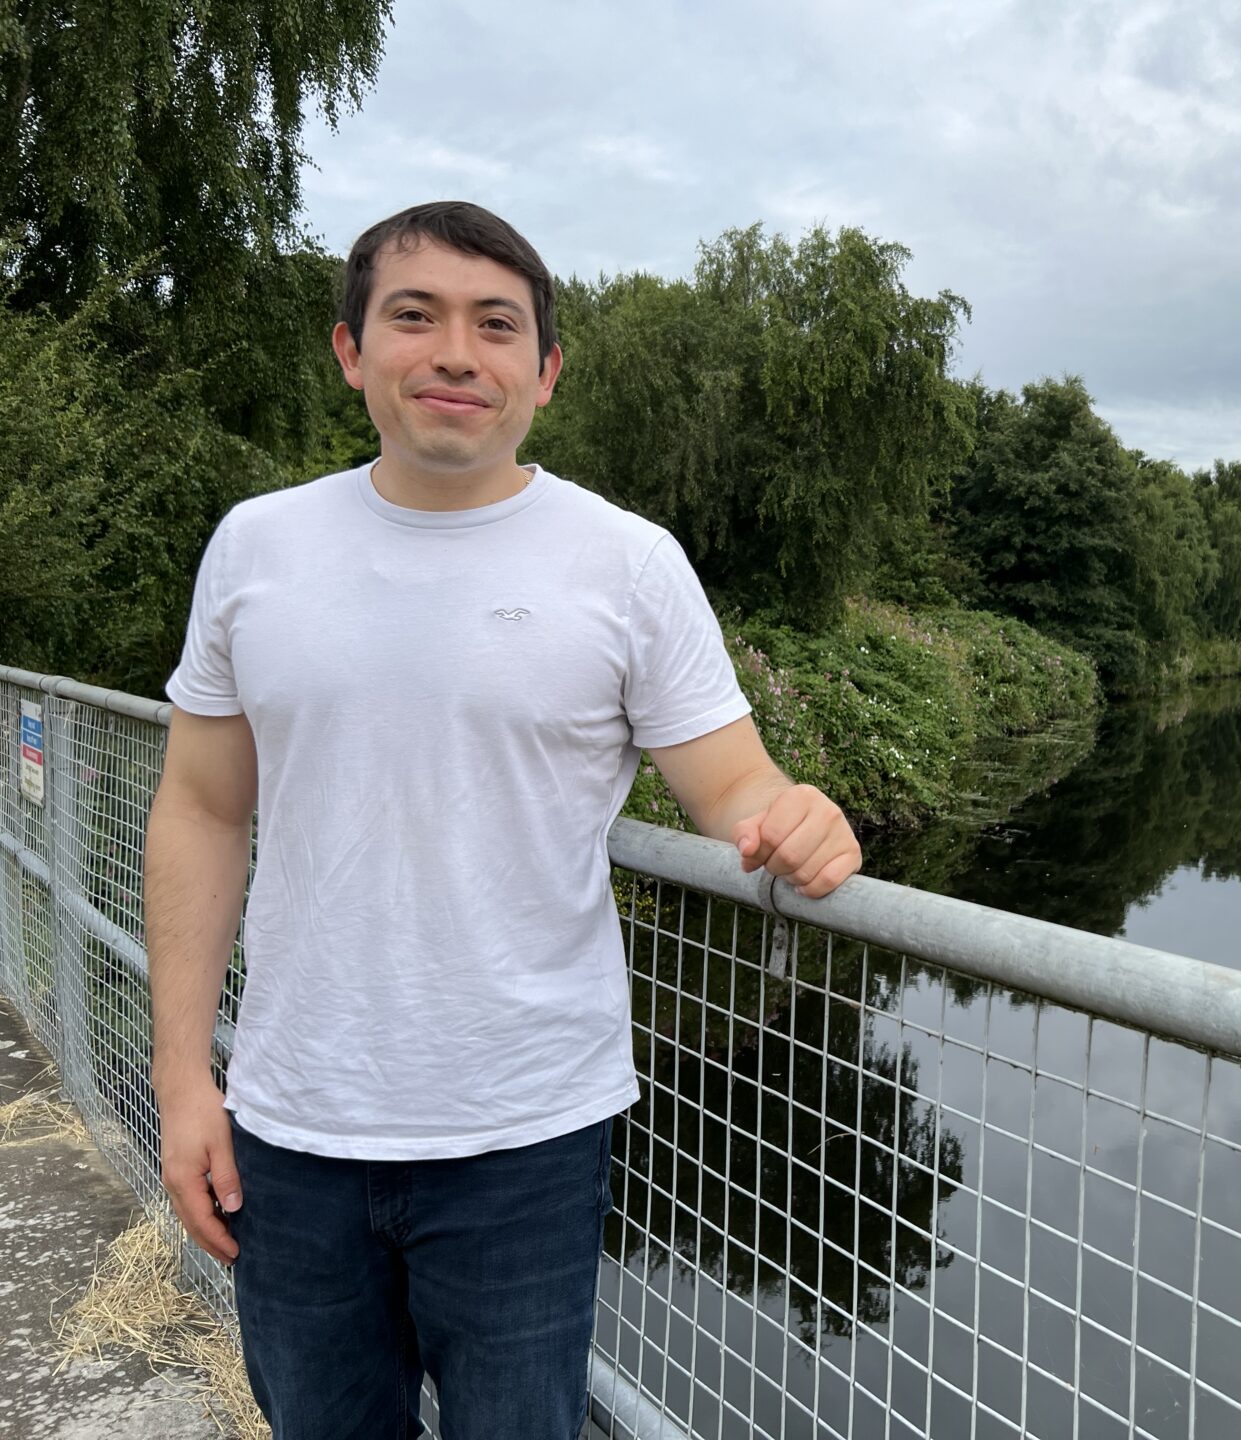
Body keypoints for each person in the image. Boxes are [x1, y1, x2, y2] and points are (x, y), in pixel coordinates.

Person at [143, 200, 862, 1440]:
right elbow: (202, 810)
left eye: (497, 324)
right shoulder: (256, 546)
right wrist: (180, 1075)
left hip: (526, 1135)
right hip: (291, 1122)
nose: (457, 354)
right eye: (414, 316)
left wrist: (802, 816)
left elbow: (738, 789)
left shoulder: (627, 564)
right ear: (351, 351)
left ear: (546, 370)